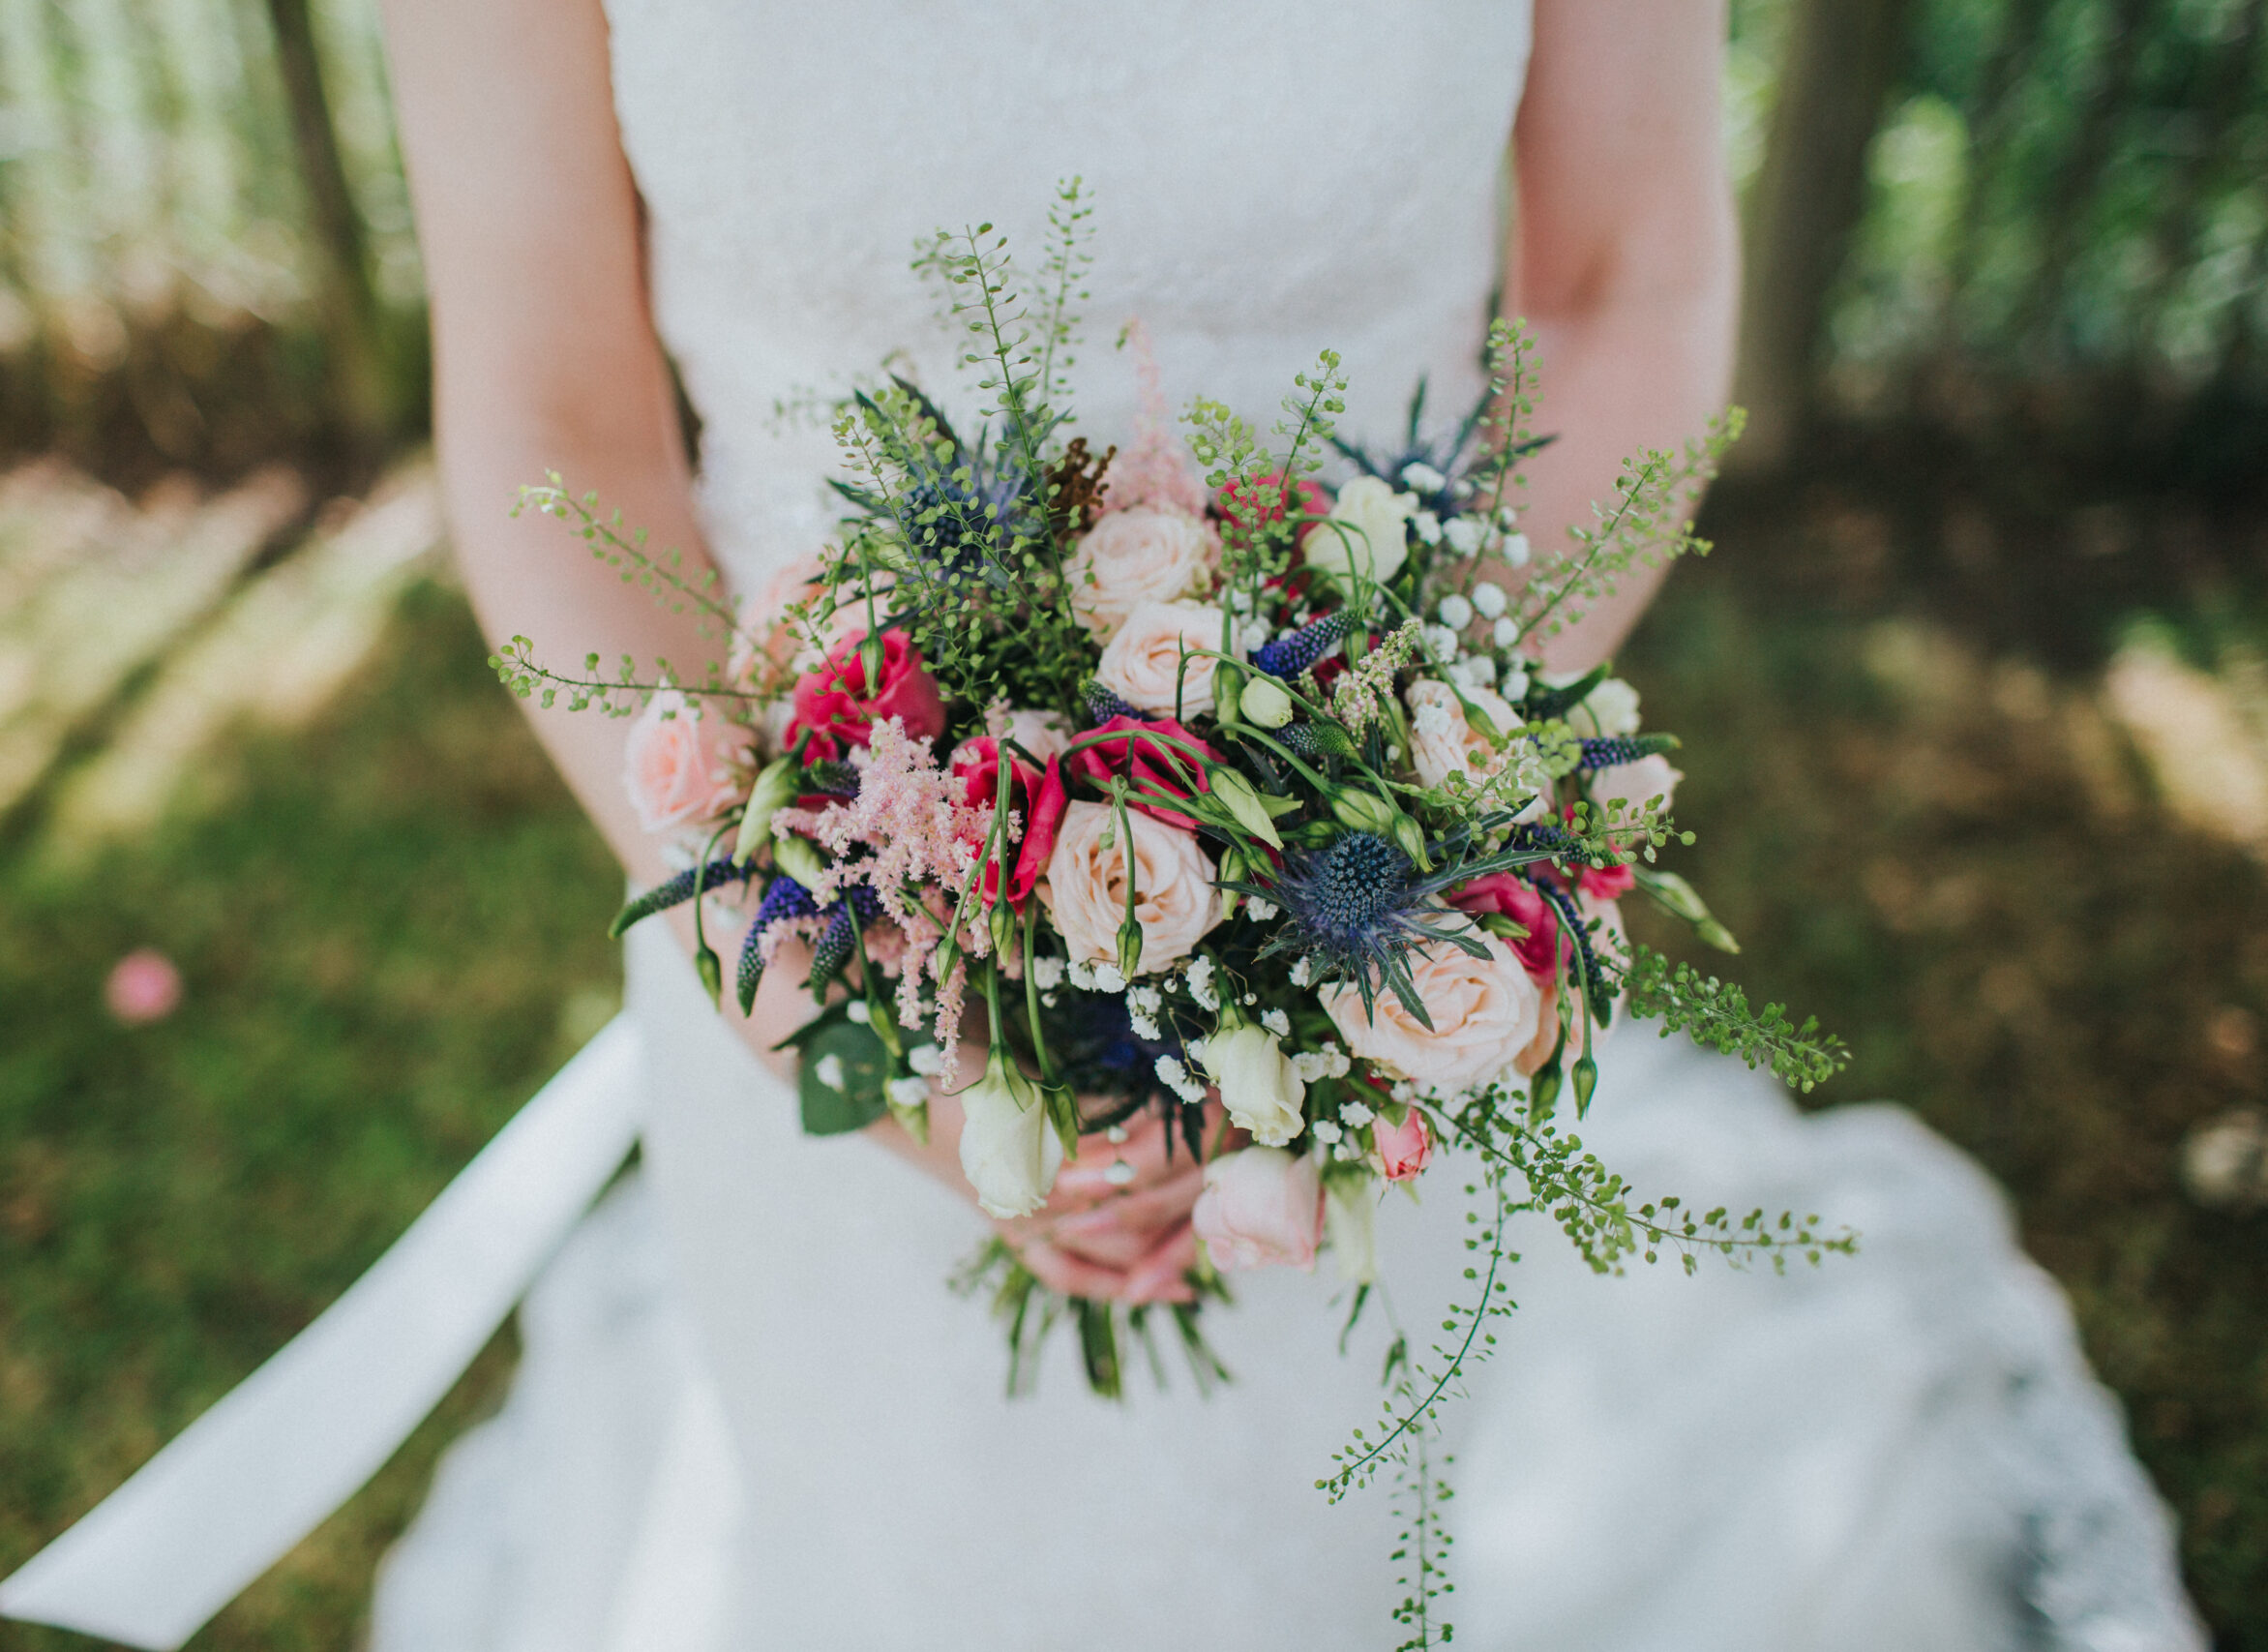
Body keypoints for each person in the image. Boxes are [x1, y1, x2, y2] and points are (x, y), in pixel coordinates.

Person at [367, 2, 2205, 1647]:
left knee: (1323, 1526)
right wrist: (793, 957)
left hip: (1370, 928)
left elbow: (1624, 277)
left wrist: (1416, 793)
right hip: (820, 897)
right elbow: (555, 419)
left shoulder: (1389, 848)